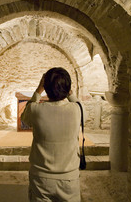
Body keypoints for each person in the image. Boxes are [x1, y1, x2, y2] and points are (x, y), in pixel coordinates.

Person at [21, 67, 87, 202]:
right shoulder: (77, 109)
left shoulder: (35, 110)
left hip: (41, 177)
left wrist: (39, 90)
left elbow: (24, 117)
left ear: (45, 87)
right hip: (69, 177)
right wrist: (69, 92)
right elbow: (78, 103)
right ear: (68, 88)